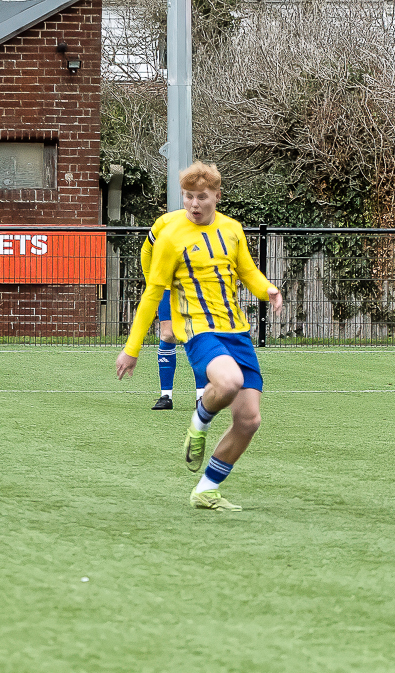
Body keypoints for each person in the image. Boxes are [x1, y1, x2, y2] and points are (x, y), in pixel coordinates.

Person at [114, 162, 284, 510]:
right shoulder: (170, 237)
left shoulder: (232, 229)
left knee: (249, 420)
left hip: (236, 330)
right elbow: (151, 293)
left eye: (201, 197)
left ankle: (206, 489)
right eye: (188, 196)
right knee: (229, 381)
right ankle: (199, 419)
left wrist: (268, 289)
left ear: (217, 196)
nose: (194, 204)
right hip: (197, 329)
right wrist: (132, 349)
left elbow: (247, 271)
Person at [139, 208, 202, 411]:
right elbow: (146, 253)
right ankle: (166, 396)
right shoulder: (163, 224)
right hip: (166, 284)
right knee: (167, 334)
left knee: (195, 335)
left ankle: (202, 397)